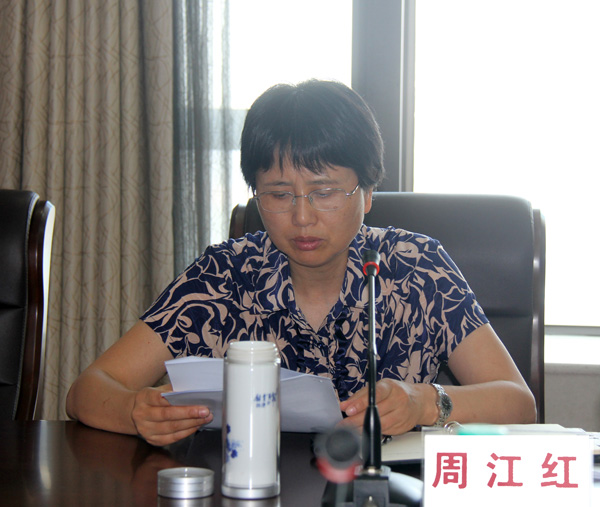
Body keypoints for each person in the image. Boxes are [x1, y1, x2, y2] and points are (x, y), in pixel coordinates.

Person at [66, 80, 536, 446]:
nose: (302, 217)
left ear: (367, 193)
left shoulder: (418, 268)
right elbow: (88, 390)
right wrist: (134, 411)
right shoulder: (224, 276)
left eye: (324, 191)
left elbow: (518, 403)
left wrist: (425, 403)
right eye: (278, 195)